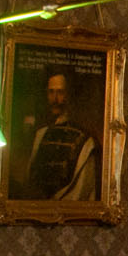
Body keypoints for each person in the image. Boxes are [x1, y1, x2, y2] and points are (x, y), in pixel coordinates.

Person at [22, 72, 98, 201]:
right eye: (51, 92)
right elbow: (31, 179)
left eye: (60, 92)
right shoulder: (40, 134)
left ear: (68, 95)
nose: (55, 99)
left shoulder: (86, 142)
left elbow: (83, 189)